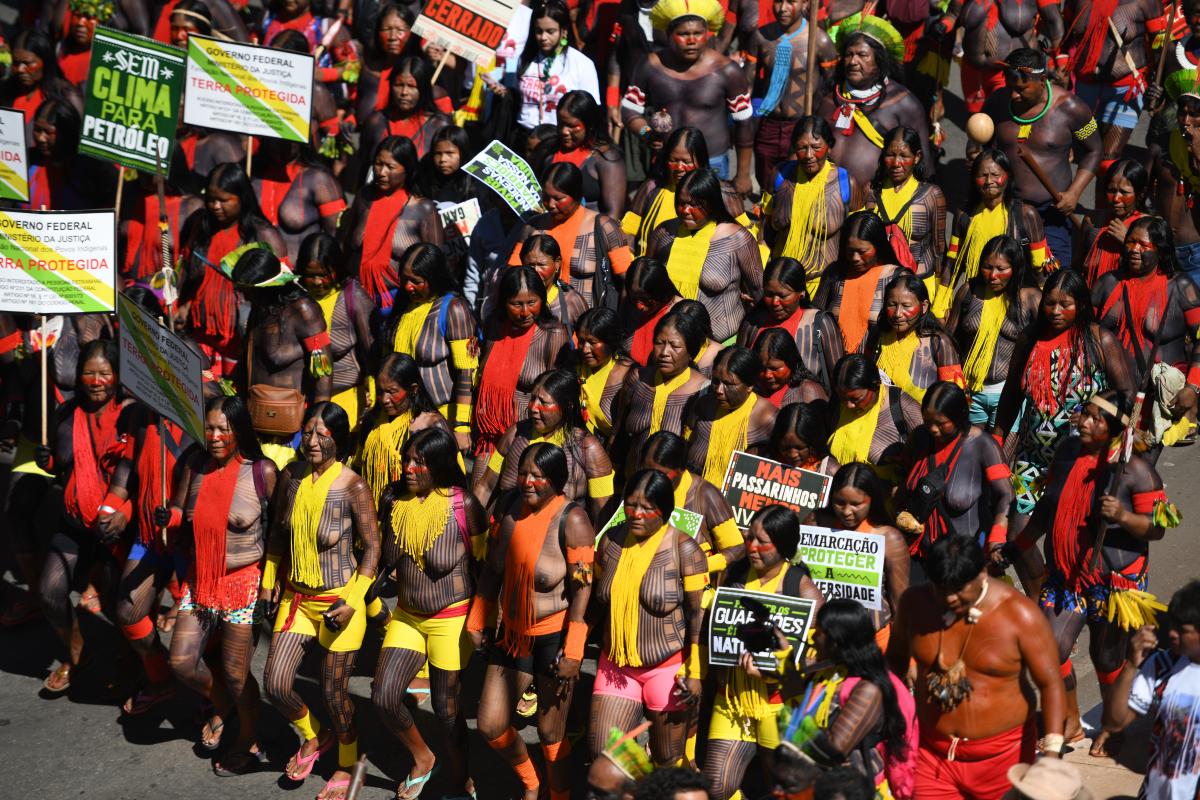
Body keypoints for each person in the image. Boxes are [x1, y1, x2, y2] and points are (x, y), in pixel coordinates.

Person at [1004, 390, 1173, 749]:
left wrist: (1123, 516)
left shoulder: (1137, 471)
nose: (1084, 421)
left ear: (1115, 429)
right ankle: (1069, 721)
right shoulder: (1066, 452)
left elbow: (1157, 529)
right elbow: (1046, 509)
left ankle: (1113, 726)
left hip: (1115, 583)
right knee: (1049, 649)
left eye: (1096, 418)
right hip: (1065, 577)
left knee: (1107, 657)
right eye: (1085, 413)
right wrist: (1016, 547)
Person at [886, 536, 1067, 800]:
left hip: (1003, 758)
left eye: (958, 588)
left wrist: (1051, 754)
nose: (949, 597)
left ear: (982, 574)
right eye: (941, 588)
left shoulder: (1020, 615)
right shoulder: (914, 604)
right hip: (932, 755)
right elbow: (894, 662)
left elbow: (1050, 683)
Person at [261, 403, 381, 799]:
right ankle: (315, 735)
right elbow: (278, 533)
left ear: (338, 440)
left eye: (321, 435)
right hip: (296, 598)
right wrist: (268, 578)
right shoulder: (291, 476)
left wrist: (352, 602)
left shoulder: (352, 486)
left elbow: (372, 549)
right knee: (276, 684)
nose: (311, 441)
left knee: (334, 693)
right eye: (307, 432)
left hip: (339, 603)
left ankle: (347, 763)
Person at [471, 443, 595, 800]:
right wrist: (478, 619)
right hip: (512, 635)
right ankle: (531, 782)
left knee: (550, 735)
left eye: (538, 475)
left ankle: (559, 795)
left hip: (553, 640)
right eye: (524, 473)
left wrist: (574, 650)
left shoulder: (573, 520)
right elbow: (493, 570)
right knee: (491, 725)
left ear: (556, 481)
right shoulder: (510, 507)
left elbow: (582, 589)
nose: (527, 481)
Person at [158, 395, 274, 773]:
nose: (216, 436)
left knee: (237, 674)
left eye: (225, 428)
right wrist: (169, 516)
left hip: (244, 584)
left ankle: (249, 736)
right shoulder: (195, 465)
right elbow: (180, 511)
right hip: (202, 580)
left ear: (240, 430)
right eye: (209, 428)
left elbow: (279, 531)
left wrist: (274, 584)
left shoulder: (262, 471)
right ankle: (224, 706)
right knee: (181, 662)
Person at [373, 428, 488, 800]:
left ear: (438, 465)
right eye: (407, 459)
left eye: (419, 462)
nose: (408, 468)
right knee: (384, 696)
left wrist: (483, 620)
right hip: (407, 616)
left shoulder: (464, 506)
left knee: (446, 709)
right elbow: (382, 563)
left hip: (450, 619)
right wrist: (362, 601)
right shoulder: (396, 501)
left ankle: (460, 781)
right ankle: (423, 758)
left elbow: (485, 567)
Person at [994, 270, 1134, 552]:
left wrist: (1094, 413)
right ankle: (1039, 581)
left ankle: (1058, 577)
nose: (1056, 311)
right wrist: (997, 440)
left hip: (1081, 460)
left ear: (1080, 305)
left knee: (1064, 538)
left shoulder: (1100, 340)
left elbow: (1127, 395)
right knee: (1017, 533)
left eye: (1065, 304)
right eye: (1050, 303)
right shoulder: (1029, 339)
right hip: (1033, 457)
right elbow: (1011, 395)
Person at [703, 506, 825, 800]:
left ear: (783, 548)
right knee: (714, 788)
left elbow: (817, 659)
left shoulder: (803, 590)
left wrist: (773, 669)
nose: (752, 547)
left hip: (779, 706)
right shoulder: (734, 574)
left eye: (762, 542)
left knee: (785, 790)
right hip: (731, 700)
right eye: (749, 538)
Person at [589, 469, 708, 767]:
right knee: (605, 753)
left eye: (646, 508)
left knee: (668, 758)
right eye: (631, 505)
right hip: (616, 665)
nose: (636, 514)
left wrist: (695, 672)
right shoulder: (611, 541)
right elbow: (594, 601)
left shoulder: (685, 548)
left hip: (667, 669)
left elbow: (697, 615)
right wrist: (574, 647)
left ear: (664, 511)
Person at [36, 340, 135, 693]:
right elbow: (59, 466)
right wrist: (47, 460)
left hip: (118, 526)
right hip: (75, 522)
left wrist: (123, 514)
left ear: (118, 376)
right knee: (49, 592)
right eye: (88, 373)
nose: (95, 382)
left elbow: (143, 475)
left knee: (122, 605)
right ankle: (78, 652)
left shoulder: (132, 416)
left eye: (103, 373)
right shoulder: (66, 414)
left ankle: (134, 661)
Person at [776, 599, 918, 799]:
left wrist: (788, 725)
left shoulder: (869, 689)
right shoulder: (827, 675)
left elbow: (833, 751)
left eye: (819, 632)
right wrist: (783, 656)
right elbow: (800, 711)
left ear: (836, 641)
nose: (813, 637)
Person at [982, 47, 1102, 267]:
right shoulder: (997, 102)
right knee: (1002, 275)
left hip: (1051, 214)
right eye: (1010, 86)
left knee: (1052, 278)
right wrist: (975, 152)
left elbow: (1095, 150)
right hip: (1005, 207)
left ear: (1042, 80)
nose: (1013, 95)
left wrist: (1074, 193)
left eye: (1021, 89)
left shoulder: (1071, 107)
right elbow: (983, 141)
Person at [621, 0, 754, 192]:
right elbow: (630, 111)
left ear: (707, 33)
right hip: (668, 163)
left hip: (713, 163)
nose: (691, 40)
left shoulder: (727, 71)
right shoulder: (651, 66)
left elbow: (744, 124)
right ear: (668, 34)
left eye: (698, 33)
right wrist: (647, 133)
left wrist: (743, 175)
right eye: (683, 34)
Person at [1091, 216, 1200, 446]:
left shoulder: (1180, 287)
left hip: (1162, 406)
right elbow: (1083, 334)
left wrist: (1192, 388)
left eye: (1143, 244)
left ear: (1160, 250)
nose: (1134, 249)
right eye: (1130, 242)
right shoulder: (1107, 283)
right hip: (1114, 402)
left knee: (1141, 463)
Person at [178, 162, 286, 380]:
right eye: (210, 199)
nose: (215, 206)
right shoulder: (199, 225)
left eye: (224, 200)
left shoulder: (263, 234)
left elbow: (281, 286)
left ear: (242, 198)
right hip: (200, 332)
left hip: (240, 338)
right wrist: (181, 302)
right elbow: (185, 269)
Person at [1097, 580, 1200, 796]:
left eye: (1183, 630)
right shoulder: (1162, 665)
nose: (1172, 634)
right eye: (1172, 626)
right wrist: (1131, 665)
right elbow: (1114, 722)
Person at [232, 249, 333, 467]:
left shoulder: (304, 310)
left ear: (268, 287)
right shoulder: (260, 308)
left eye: (250, 291)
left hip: (291, 433)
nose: (246, 298)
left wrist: (315, 428)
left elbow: (323, 374)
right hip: (254, 423)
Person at [472, 267, 572, 481]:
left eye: (532, 302)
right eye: (517, 304)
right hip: (489, 437)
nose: (525, 312)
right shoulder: (494, 325)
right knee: (478, 493)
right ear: (504, 302)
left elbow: (557, 395)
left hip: (527, 440)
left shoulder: (553, 334)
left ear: (542, 299)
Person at [897, 382, 1013, 566]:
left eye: (941, 423)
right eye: (927, 421)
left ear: (960, 417)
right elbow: (901, 478)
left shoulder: (982, 445)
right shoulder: (919, 437)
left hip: (962, 563)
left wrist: (997, 539)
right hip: (917, 554)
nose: (933, 429)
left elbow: (1006, 495)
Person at [476, 369, 615, 520]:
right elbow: (485, 487)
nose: (533, 408)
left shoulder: (588, 448)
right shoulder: (515, 434)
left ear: (567, 406)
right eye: (532, 399)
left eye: (543, 402)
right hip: (505, 531)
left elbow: (604, 514)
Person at [814, 16, 933, 192]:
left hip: (876, 203)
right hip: (825, 199)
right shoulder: (828, 98)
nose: (853, 61)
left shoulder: (904, 104)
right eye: (849, 54)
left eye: (862, 55)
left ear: (879, 60)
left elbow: (924, 167)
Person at [648, 169, 764, 343]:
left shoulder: (738, 239)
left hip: (723, 344)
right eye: (681, 203)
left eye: (694, 204)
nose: (686, 210)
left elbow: (759, 291)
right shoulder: (664, 233)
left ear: (711, 204)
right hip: (671, 344)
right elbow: (646, 282)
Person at [933, 148, 1050, 317]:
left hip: (1016, 306)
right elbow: (952, 263)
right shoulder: (964, 216)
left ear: (1008, 176)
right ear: (974, 179)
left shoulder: (1027, 215)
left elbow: (1041, 269)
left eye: (995, 175)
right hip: (975, 303)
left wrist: (1044, 311)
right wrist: (939, 306)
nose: (989, 181)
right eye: (983, 175)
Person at [338, 136, 444, 316]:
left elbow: (436, 265)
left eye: (390, 167)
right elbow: (345, 244)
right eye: (378, 164)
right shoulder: (364, 198)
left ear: (407, 170)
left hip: (401, 303)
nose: (381, 172)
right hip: (357, 298)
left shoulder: (423, 209)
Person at [1061, 0, 1166, 179]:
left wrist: (1159, 84)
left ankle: (1104, 197)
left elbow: (1161, 46)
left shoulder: (1145, 2)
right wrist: (1060, 64)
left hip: (1125, 89)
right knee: (1084, 147)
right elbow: (1065, 35)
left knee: (1108, 158)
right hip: (1085, 89)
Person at [385, 243, 478, 441]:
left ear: (434, 278)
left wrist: (462, 425)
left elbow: (467, 372)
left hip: (441, 422)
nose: (408, 286)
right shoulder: (402, 307)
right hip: (400, 420)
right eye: (404, 279)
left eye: (416, 281)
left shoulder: (454, 309)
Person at [946, 235, 1041, 427]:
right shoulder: (968, 291)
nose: (993, 275)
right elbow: (947, 340)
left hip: (1009, 394)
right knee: (972, 445)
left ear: (1015, 268)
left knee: (1001, 446)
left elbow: (1047, 343)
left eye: (1001, 269)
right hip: (970, 391)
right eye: (987, 267)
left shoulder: (1030, 298)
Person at [742, 0, 838, 190]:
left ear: (805, 3)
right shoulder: (761, 37)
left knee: (795, 187)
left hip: (801, 127)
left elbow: (831, 91)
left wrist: (817, 128)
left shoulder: (820, 41)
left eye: (791, 1)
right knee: (766, 184)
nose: (782, 8)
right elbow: (746, 86)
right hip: (768, 124)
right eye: (778, 1)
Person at [509, 162, 633, 306]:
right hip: (542, 318)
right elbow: (512, 274)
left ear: (577, 195)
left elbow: (628, 280)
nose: (550, 204)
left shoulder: (604, 228)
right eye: (546, 197)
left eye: (558, 199)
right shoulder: (532, 227)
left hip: (589, 317)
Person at [813, 464, 909, 645]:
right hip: (823, 641)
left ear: (872, 500)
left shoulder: (889, 539)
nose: (846, 511)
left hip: (872, 642)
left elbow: (900, 603)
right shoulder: (816, 523)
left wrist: (901, 650)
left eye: (856, 504)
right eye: (839, 502)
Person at [296, 234, 376, 430]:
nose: (317, 282)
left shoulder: (353, 296)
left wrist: (374, 397)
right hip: (301, 404)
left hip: (346, 403)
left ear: (337, 269)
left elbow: (373, 351)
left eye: (324, 274)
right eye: (310, 275)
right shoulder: (295, 299)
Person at [638, 431, 745, 574]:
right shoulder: (637, 487)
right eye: (646, 471)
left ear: (681, 470)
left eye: (661, 474)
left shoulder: (705, 494)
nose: (652, 480)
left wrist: (698, 567)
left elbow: (737, 548)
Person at [766, 117, 856, 287]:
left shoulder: (846, 184)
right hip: (780, 285)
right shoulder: (779, 176)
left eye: (816, 147)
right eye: (802, 148)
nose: (809, 155)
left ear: (829, 147)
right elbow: (763, 233)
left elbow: (859, 239)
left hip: (822, 285)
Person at [616, 308, 711, 469]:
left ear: (691, 351)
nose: (665, 352)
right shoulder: (637, 378)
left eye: (675, 346)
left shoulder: (703, 391)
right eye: (659, 343)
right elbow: (618, 434)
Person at [866, 273, 964, 423]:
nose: (897, 314)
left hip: (921, 426)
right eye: (892, 304)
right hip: (875, 423)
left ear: (924, 306)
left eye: (906, 306)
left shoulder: (938, 343)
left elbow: (956, 398)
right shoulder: (877, 335)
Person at [354, 353, 449, 506]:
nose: (385, 399)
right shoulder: (371, 421)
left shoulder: (431, 425)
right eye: (380, 391)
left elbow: (449, 480)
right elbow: (358, 467)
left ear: (413, 389)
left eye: (392, 392)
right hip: (373, 510)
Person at [739, 257, 844, 395]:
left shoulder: (819, 324)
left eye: (783, 296)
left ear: (801, 293)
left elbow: (839, 379)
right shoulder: (752, 323)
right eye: (769, 294)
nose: (775, 302)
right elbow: (738, 372)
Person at [813, 212, 908, 355]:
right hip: (832, 363)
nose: (855, 258)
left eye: (862, 251)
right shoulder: (835, 274)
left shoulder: (898, 279)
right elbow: (814, 317)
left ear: (878, 246)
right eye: (850, 251)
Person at [683, 346, 778, 485]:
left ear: (750, 385)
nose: (719, 390)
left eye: (729, 384)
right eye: (716, 381)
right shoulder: (703, 405)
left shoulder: (768, 419)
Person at [864, 126, 946, 278]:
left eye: (904, 156)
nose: (896, 163)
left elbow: (939, 248)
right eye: (890, 155)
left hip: (919, 283)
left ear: (917, 157)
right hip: (878, 283)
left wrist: (941, 289)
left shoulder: (932, 195)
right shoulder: (871, 191)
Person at [509, 0, 600, 135]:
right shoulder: (525, 58)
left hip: (560, 137)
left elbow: (591, 110)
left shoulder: (582, 64)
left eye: (550, 32)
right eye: (539, 31)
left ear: (564, 31)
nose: (543, 37)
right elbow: (516, 98)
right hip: (523, 136)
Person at [252, 139, 346, 266]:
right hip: (256, 271)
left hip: (299, 273)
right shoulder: (251, 174)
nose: (279, 144)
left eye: (286, 139)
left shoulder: (319, 180)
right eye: (274, 139)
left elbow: (337, 236)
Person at [937, 0, 1041, 114]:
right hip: (972, 70)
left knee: (1002, 116)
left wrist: (1052, 62)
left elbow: (1052, 22)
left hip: (1006, 73)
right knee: (976, 118)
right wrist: (944, 25)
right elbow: (952, 14)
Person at [623, 126, 709, 258]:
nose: (679, 168)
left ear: (701, 161)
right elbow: (629, 230)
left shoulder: (715, 192)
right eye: (673, 160)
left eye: (687, 162)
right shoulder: (651, 187)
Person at [359, 55, 451, 169]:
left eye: (412, 86)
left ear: (423, 89)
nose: (404, 92)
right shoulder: (376, 122)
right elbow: (363, 165)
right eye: (399, 85)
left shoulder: (439, 126)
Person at [827, 354, 912, 470]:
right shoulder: (837, 404)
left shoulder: (903, 406)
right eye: (843, 399)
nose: (849, 405)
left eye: (856, 399)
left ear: (875, 386)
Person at [553, 90, 628, 217]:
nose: (564, 131)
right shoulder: (550, 150)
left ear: (590, 125)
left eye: (572, 126)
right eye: (560, 123)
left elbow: (613, 215)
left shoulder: (606, 158)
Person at [1077, 159, 1150, 284]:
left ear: (1141, 194)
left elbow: (1154, 271)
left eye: (1124, 192)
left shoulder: (1148, 227)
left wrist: (1128, 241)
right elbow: (1078, 262)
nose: (1116, 198)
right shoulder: (1092, 220)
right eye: (1111, 190)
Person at [354, 3, 423, 123]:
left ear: (411, 34)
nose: (392, 37)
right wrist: (350, 119)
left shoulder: (419, 71)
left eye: (400, 30)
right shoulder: (369, 66)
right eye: (387, 29)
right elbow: (358, 100)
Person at [576, 307, 637, 440]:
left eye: (592, 342)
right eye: (581, 342)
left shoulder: (629, 374)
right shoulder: (574, 366)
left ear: (610, 341)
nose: (585, 349)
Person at [1, 28, 80, 126]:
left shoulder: (66, 95)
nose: (20, 69)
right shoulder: (7, 89)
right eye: (16, 63)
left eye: (28, 63)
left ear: (45, 60)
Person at [517, 234, 591, 331]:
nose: (535, 271)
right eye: (530, 265)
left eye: (541, 265)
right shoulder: (513, 299)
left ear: (557, 264)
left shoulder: (571, 302)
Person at [753, 328, 828, 406]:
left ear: (791, 362)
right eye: (761, 367)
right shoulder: (752, 388)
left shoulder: (809, 393)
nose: (767, 375)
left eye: (774, 368)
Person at [770, 402, 840, 480]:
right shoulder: (765, 459)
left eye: (799, 448)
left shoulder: (829, 470)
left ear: (813, 443)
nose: (792, 454)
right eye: (785, 447)